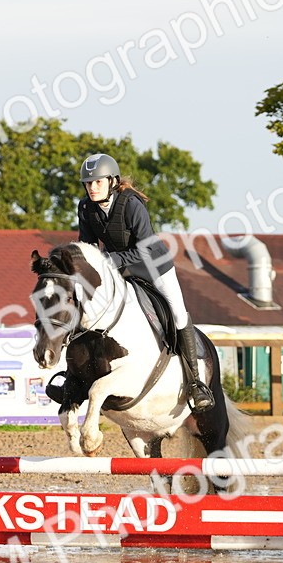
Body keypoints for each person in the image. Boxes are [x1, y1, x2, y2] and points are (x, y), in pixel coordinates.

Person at [76, 152, 215, 411]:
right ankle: (74, 377)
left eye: (97, 182)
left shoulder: (131, 204)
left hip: (154, 267)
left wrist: (107, 261)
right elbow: (88, 247)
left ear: (112, 181)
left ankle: (196, 383)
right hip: (120, 270)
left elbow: (145, 250)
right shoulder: (86, 208)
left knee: (177, 313)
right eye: (88, 183)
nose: (91, 188)